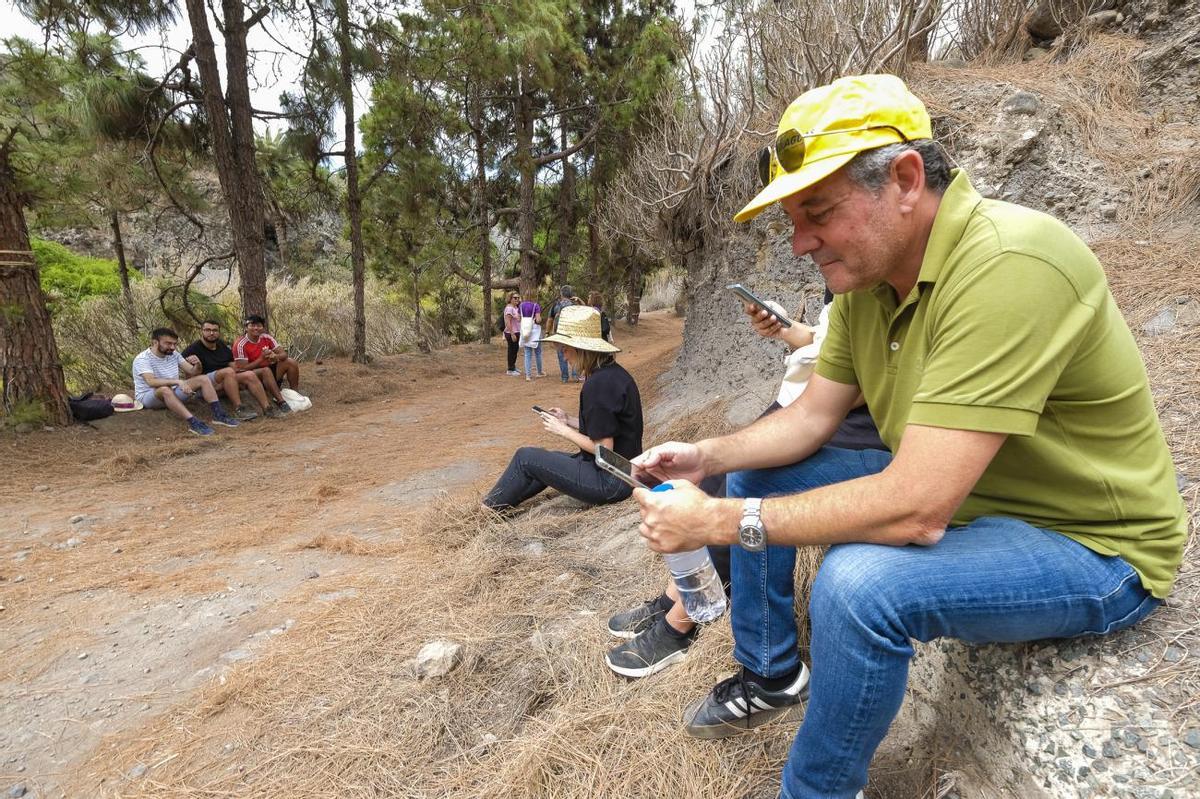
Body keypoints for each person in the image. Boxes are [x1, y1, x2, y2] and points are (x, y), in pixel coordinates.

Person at [631, 75, 1185, 799]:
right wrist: (707, 457)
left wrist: (718, 522)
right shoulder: (868, 282)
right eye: (793, 220)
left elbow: (918, 508)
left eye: (818, 213)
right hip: (974, 501)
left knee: (858, 586)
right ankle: (772, 671)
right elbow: (809, 418)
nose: (800, 243)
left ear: (905, 178)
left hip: (1089, 545)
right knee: (755, 474)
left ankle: (818, 789)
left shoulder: (1009, 263)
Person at [605, 289, 884, 678]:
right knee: (715, 473)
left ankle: (683, 622)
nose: (805, 255)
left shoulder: (879, 286)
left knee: (744, 484)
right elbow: (828, 339)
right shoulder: (847, 284)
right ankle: (676, 596)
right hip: (803, 403)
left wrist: (821, 377)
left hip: (838, 416)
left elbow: (851, 382)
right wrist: (787, 331)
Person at [482, 305, 642, 510]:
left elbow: (604, 450)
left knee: (525, 458)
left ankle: (487, 510)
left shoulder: (598, 385)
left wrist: (563, 431)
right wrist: (569, 420)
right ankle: (502, 505)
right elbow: (608, 428)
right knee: (546, 459)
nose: (564, 356)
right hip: (624, 472)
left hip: (610, 482)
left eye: (565, 349)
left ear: (581, 349)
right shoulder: (612, 374)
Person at [132, 327, 239, 436]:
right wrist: (178, 382)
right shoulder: (143, 359)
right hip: (149, 397)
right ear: (155, 342)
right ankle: (193, 422)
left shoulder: (174, 354)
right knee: (165, 390)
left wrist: (198, 364)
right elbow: (151, 382)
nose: (172, 347)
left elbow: (193, 372)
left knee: (203, 378)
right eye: (168, 343)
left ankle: (219, 415)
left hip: (173, 393)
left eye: (174, 344)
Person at [182, 320, 282, 420]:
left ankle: (267, 408)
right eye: (208, 330)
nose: (211, 333)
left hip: (226, 379)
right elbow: (189, 376)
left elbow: (232, 363)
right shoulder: (192, 349)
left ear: (219, 332)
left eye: (215, 330)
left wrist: (241, 374)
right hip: (205, 385)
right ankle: (239, 409)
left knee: (249, 375)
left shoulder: (220, 345)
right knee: (228, 372)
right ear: (202, 331)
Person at [232, 315, 295, 414]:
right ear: (246, 328)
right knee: (265, 370)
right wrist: (261, 358)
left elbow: (284, 355)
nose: (256, 328)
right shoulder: (240, 344)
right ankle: (281, 401)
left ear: (263, 328)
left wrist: (275, 357)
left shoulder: (266, 337)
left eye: (259, 325)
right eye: (252, 325)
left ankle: (295, 393)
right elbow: (242, 369)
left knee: (290, 362)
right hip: (252, 376)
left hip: (269, 370)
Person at [546, 284, 580, 383]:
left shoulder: (556, 305)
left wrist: (547, 332)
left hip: (559, 334)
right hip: (572, 333)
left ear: (561, 294)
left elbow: (550, 319)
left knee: (561, 355)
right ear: (571, 294)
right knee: (574, 354)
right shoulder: (574, 305)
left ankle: (564, 377)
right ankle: (575, 375)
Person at [518, 295, 546, 381]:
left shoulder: (521, 306)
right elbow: (538, 320)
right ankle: (539, 372)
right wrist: (540, 319)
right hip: (535, 331)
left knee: (527, 353)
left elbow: (518, 318)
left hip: (525, 331)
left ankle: (528, 375)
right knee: (538, 352)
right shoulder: (535, 306)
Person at [502, 291, 522, 376]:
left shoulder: (516, 307)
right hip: (511, 332)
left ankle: (513, 366)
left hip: (517, 331)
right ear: (510, 299)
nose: (517, 299)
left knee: (515, 350)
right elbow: (507, 322)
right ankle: (510, 369)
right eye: (515, 298)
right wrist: (512, 333)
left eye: (518, 298)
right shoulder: (509, 308)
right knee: (512, 350)